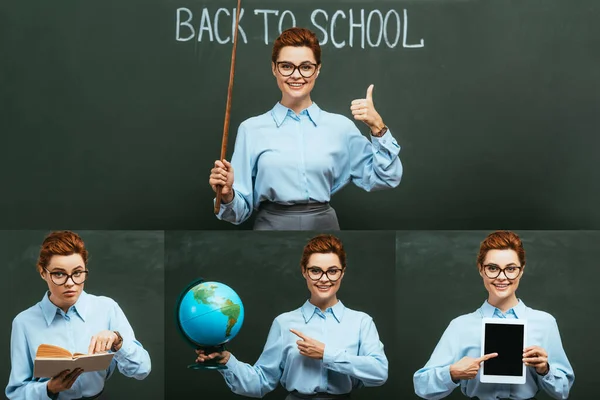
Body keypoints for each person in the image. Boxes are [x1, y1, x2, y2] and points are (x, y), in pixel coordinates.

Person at [209, 27, 403, 230]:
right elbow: (237, 214)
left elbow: (387, 178)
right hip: (270, 228)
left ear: (317, 69)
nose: (296, 75)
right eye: (286, 66)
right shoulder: (251, 129)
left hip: (325, 226)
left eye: (306, 67)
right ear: (274, 68)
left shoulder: (340, 128)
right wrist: (228, 194)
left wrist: (378, 128)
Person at [195, 234, 388, 399]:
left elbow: (379, 372)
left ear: (342, 273)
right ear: (304, 271)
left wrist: (326, 354)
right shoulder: (284, 323)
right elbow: (260, 382)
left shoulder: (361, 322)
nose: (324, 279)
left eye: (332, 271)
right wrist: (227, 361)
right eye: (315, 271)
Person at [413, 230, 574, 400]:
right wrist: (452, 373)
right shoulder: (460, 326)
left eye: (511, 268)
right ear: (481, 270)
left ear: (521, 271)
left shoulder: (545, 323)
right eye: (492, 268)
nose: (502, 277)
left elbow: (562, 390)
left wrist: (545, 370)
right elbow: (422, 386)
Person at [6, 231, 151, 400]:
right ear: (43, 273)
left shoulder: (107, 308)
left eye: (77, 273)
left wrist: (119, 341)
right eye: (59, 274)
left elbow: (142, 370)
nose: (70, 283)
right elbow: (16, 393)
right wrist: (49, 388)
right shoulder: (23, 322)